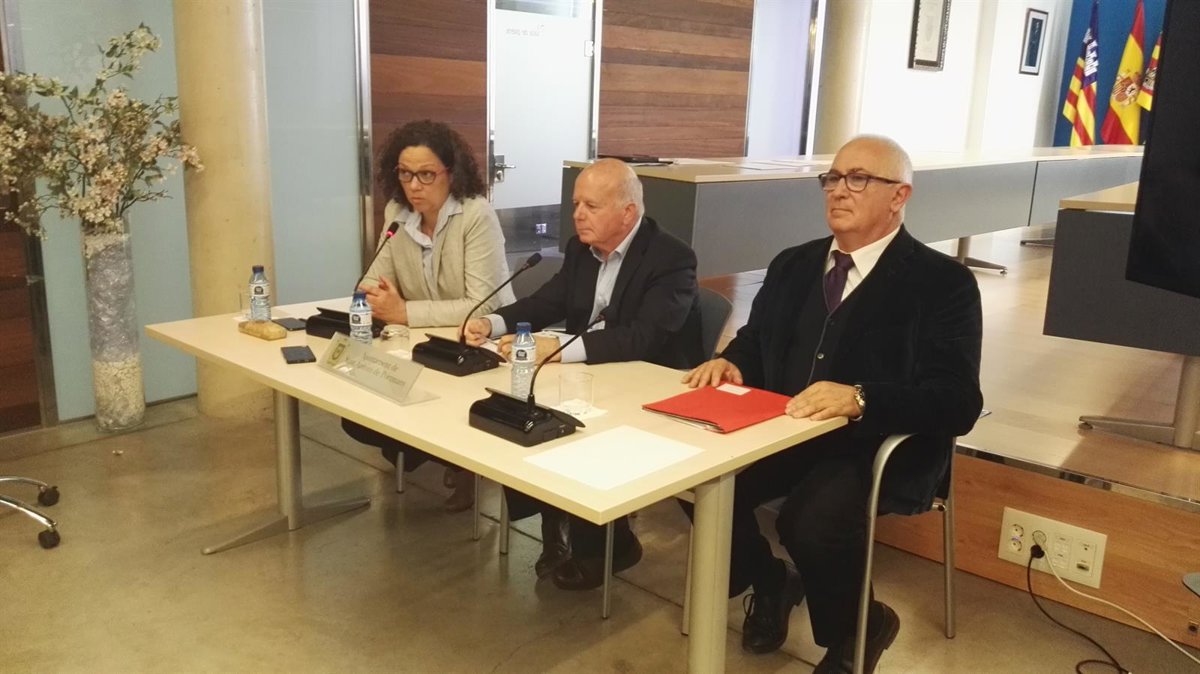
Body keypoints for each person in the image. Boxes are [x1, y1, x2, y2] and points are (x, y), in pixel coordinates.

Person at [681, 135, 983, 673]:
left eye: (859, 179)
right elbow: (757, 338)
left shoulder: (943, 284)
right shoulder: (793, 264)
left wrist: (862, 398)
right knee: (691, 482)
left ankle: (859, 630)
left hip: (876, 443)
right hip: (784, 430)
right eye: (833, 178)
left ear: (899, 196)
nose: (839, 190)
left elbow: (958, 401)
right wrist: (733, 362)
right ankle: (772, 582)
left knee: (811, 521)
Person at [464, 158, 704, 589]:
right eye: (576, 204)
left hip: (648, 386)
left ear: (627, 212)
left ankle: (606, 543)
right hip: (590, 377)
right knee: (520, 411)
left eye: (591, 206)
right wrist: (492, 322)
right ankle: (555, 523)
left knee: (564, 426)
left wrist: (557, 349)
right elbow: (548, 302)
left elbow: (645, 338)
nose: (577, 214)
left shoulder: (671, 257)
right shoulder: (581, 249)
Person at [342, 119, 514, 513]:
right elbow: (372, 280)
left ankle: (466, 460)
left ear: (451, 173)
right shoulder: (397, 212)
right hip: (422, 343)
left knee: (437, 408)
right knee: (357, 416)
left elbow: (482, 304)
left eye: (426, 175)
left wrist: (404, 311)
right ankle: (450, 456)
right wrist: (376, 298)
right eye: (405, 174)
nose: (414, 186)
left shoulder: (476, 215)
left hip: (481, 342)